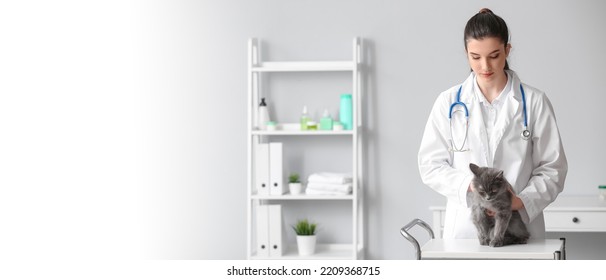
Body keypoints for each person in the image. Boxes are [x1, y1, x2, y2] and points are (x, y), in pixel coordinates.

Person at [418, 8, 567, 240]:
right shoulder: (448, 103)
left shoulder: (534, 102)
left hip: (520, 226)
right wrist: (471, 185)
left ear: (507, 50)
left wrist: (520, 201)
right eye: (475, 57)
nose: (485, 66)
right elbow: (430, 165)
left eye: (494, 55)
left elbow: (553, 168)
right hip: (466, 232)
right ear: (466, 53)